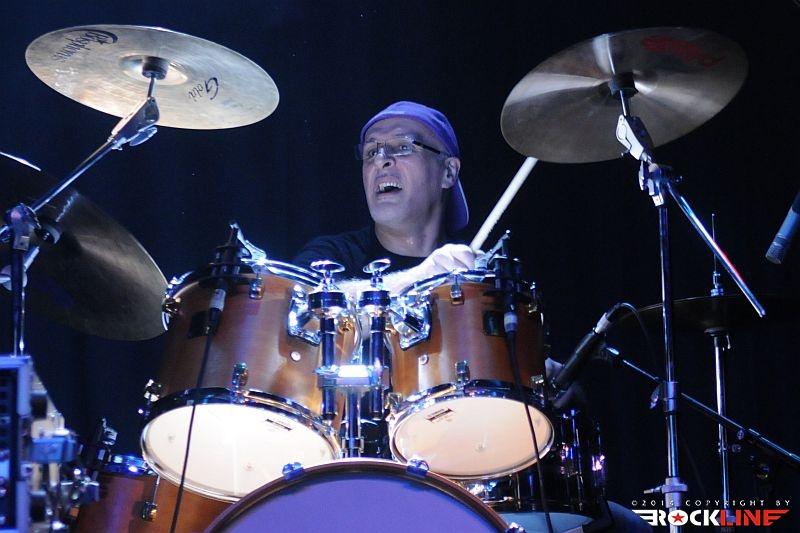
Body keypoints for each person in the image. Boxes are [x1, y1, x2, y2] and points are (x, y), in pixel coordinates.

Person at [293, 101, 651, 532]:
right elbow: (304, 307)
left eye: (402, 146)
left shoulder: (480, 279)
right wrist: (422, 276)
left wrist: (540, 379)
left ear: (448, 172)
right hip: (366, 473)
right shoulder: (333, 257)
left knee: (628, 527)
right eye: (371, 151)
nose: (381, 160)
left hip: (478, 473)